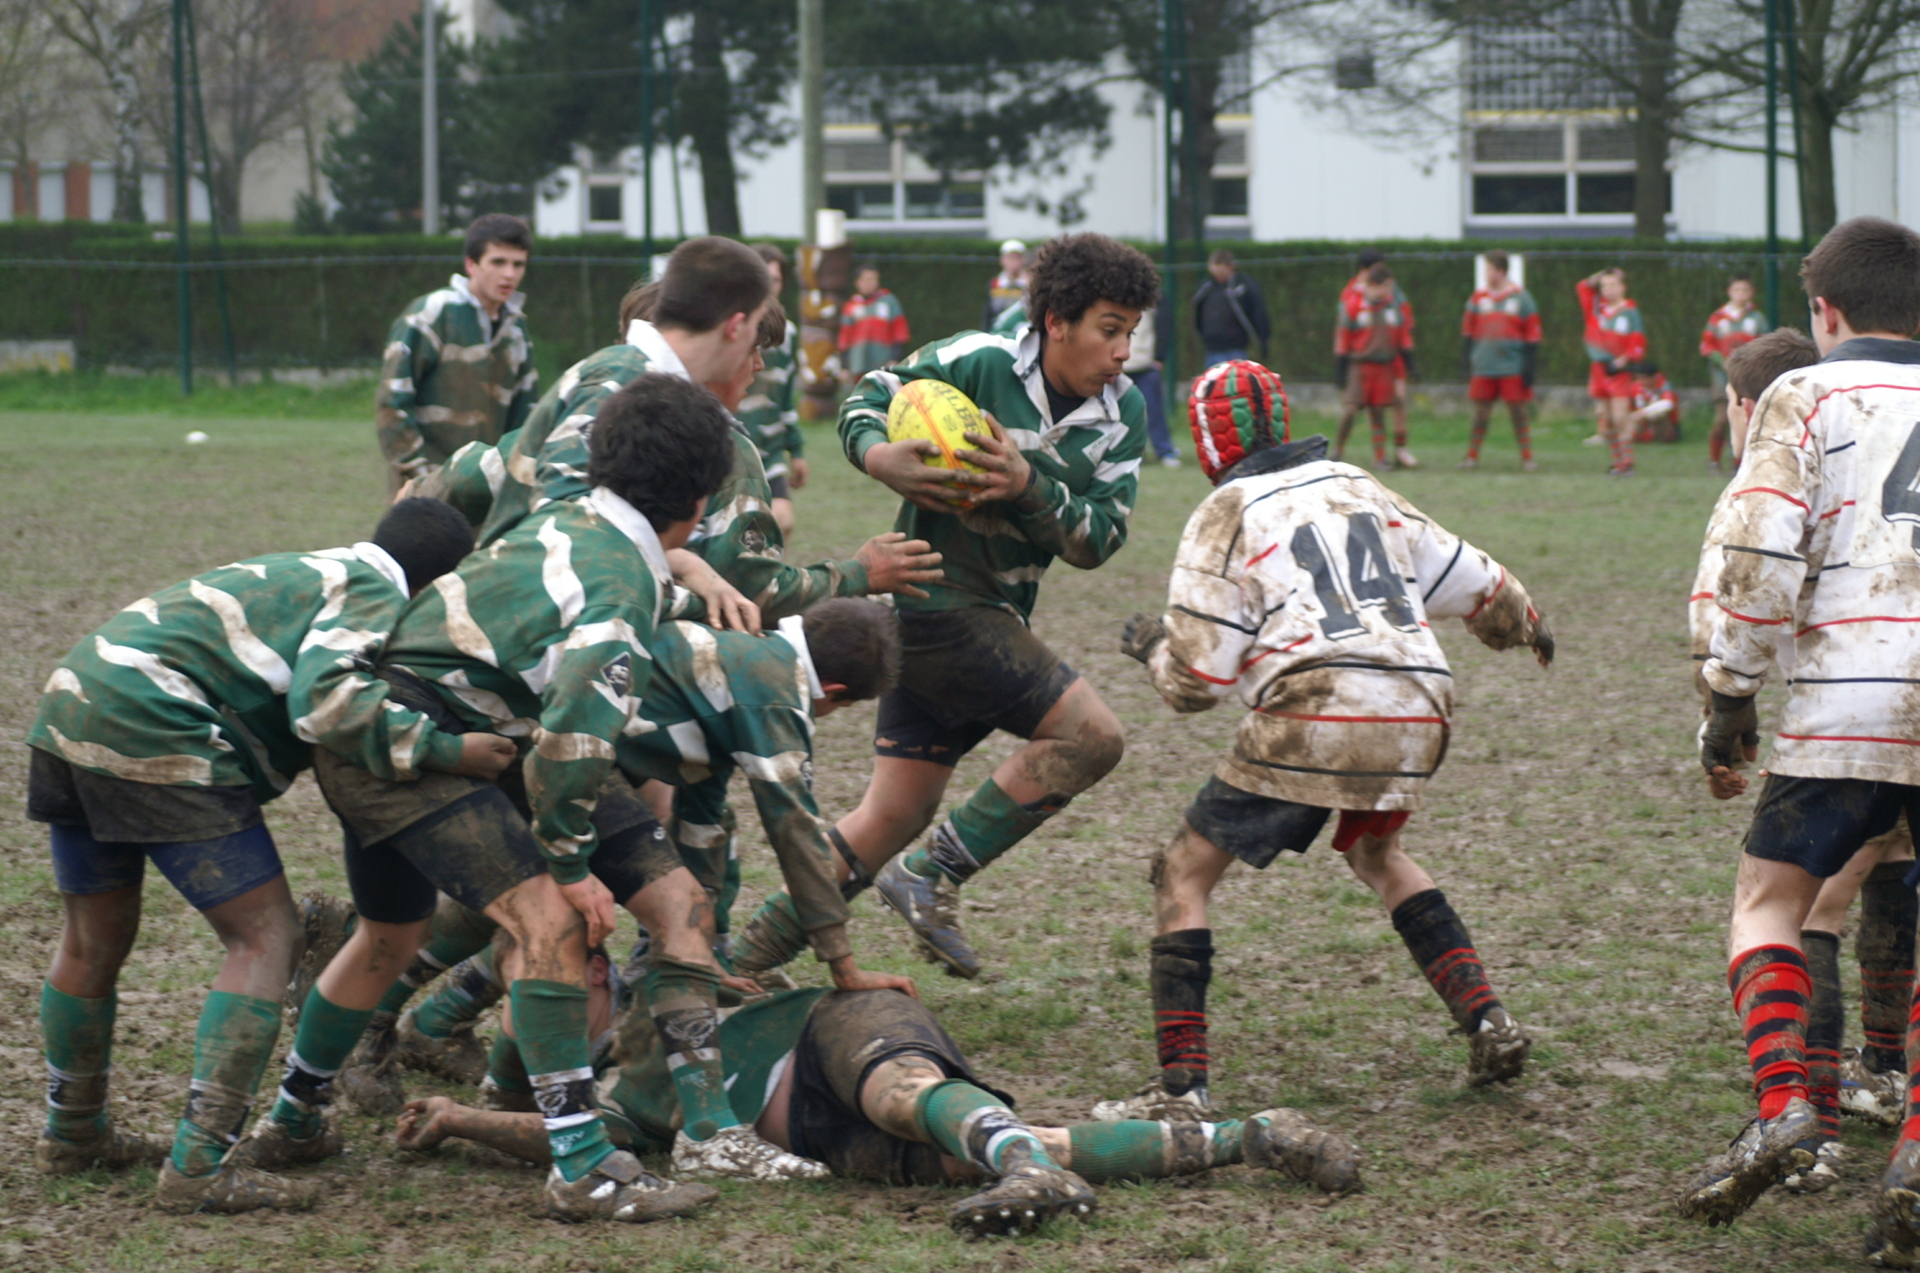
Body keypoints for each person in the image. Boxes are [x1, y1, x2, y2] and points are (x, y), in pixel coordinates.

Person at [273, 376, 854, 1222]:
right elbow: (576, 741)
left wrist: (691, 581)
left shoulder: (581, 516)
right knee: (548, 920)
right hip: (408, 744)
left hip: (495, 734)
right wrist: (574, 865)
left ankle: (708, 1129)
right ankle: (577, 1164)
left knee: (678, 899)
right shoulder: (615, 581)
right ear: (698, 500)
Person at [1103, 358, 1554, 1121]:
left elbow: (1195, 685)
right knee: (1377, 852)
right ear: (1284, 423)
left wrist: (1152, 645)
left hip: (1317, 706)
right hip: (1420, 700)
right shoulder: (1357, 485)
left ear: (1208, 446)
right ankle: (1489, 1020)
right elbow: (1482, 584)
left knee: (1181, 874)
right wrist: (1526, 629)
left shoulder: (1226, 510)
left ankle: (1181, 1091)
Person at [26, 498, 498, 1212]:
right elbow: (326, 699)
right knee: (265, 935)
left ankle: (75, 1132)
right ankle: (199, 1166)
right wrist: (447, 748)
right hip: (160, 720)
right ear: (435, 586)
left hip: (75, 701)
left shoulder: (318, 567)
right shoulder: (375, 593)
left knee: (93, 940)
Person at [727, 233, 1160, 984]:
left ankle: (744, 959)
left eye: (1131, 331)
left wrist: (1028, 483)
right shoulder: (978, 360)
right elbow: (869, 394)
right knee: (1092, 737)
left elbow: (1101, 538)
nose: (1124, 350)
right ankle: (929, 875)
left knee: (887, 817)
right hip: (934, 604)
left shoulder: (1124, 418)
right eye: (1110, 328)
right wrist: (876, 454)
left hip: (989, 617)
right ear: (1057, 319)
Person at [394, 978, 1362, 1238]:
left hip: (832, 1027)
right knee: (973, 1150)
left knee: (909, 1095)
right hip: (818, 1141)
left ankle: (1031, 1171)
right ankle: (1254, 1136)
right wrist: (460, 1119)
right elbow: (572, 1147)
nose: (584, 1011)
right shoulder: (624, 1101)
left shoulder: (676, 966)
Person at [1675, 216, 1920, 1233]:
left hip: (1849, 698)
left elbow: (1757, 549)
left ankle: (1784, 1108)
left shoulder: (1804, 393)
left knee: (1769, 901)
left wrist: (1731, 692)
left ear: (1824, 311)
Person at [375, 214, 538, 495]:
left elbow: (526, 414)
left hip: (484, 489)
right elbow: (392, 403)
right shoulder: (431, 314)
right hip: (424, 486)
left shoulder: (516, 329)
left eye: (518, 264)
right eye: (498, 262)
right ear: (471, 265)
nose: (509, 274)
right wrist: (421, 477)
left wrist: (513, 480)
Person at [744, 243, 808, 536]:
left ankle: (767, 578)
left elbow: (785, 398)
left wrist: (796, 450)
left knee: (783, 521)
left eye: (777, 280)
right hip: (736, 447)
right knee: (749, 531)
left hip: (769, 451)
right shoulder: (734, 327)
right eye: (765, 280)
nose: (771, 288)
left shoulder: (789, 334)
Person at [1458, 249, 1541, 472]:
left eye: (1489, 269)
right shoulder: (1478, 298)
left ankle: (1527, 457)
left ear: (1501, 271)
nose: (1486, 274)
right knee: (1480, 413)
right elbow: (1468, 332)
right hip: (1484, 366)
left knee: (1518, 412)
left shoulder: (1521, 298)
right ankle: (1471, 457)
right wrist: (1466, 362)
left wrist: (1529, 368)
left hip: (1511, 366)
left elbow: (1533, 334)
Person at [1332, 265, 1418, 470]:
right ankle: (1337, 451)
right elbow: (1343, 340)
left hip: (1384, 366)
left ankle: (1380, 457)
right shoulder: (1353, 307)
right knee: (1351, 409)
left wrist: (1411, 365)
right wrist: (1340, 371)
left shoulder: (1393, 309)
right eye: (1387, 286)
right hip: (1359, 366)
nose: (1390, 291)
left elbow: (1404, 340)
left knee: (1378, 411)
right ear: (1374, 285)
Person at [1578, 268, 1646, 476]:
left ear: (1623, 287)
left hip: (1618, 370)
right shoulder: (1597, 309)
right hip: (1598, 369)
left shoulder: (1630, 312)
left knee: (1619, 416)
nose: (1608, 289)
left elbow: (1638, 342)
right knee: (1606, 418)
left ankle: (1628, 461)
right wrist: (1599, 275)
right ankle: (1618, 463)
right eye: (1604, 286)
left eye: (1613, 284)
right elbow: (1582, 287)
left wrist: (1623, 360)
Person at [1700, 274, 1771, 473]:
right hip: (1723, 376)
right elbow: (1706, 346)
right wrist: (1722, 362)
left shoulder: (1757, 319)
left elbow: (1764, 345)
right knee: (1722, 419)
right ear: (1729, 292)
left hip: (1747, 377)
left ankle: (1739, 462)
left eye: (1745, 290)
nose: (1741, 294)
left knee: (1746, 418)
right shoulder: (1718, 318)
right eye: (1737, 290)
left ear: (1751, 293)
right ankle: (1714, 460)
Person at [1125, 295, 1180, 467]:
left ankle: (1164, 451)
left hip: (1145, 364)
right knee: (1123, 415)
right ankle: (1131, 454)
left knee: (1155, 411)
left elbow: (1164, 327)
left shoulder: (1153, 299)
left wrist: (1159, 356)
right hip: (1120, 366)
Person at [1191, 247, 1270, 367]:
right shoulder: (1207, 287)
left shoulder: (1244, 285)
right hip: (1212, 349)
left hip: (1236, 350)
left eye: (1221, 273)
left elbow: (1258, 312)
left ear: (1230, 267)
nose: (1218, 277)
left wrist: (1262, 341)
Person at [837, 264, 911, 380]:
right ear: (858, 282)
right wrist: (844, 367)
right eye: (867, 279)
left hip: (883, 363)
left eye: (874, 279)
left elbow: (900, 332)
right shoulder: (851, 306)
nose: (871, 283)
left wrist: (895, 358)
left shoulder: (889, 302)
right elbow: (844, 339)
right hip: (858, 364)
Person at [1626, 361, 1680, 443]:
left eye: (1642, 378)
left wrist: (1643, 413)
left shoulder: (1664, 386)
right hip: (1643, 423)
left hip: (1665, 423)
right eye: (1638, 378)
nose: (1640, 381)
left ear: (1653, 377)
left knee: (1659, 415)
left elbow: (1668, 404)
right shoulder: (1636, 387)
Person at [983, 239, 1027, 331]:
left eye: (1017, 258)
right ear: (1002, 260)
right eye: (1010, 258)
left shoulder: (1029, 285)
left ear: (1023, 260)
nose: (1014, 262)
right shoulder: (994, 284)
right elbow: (988, 314)